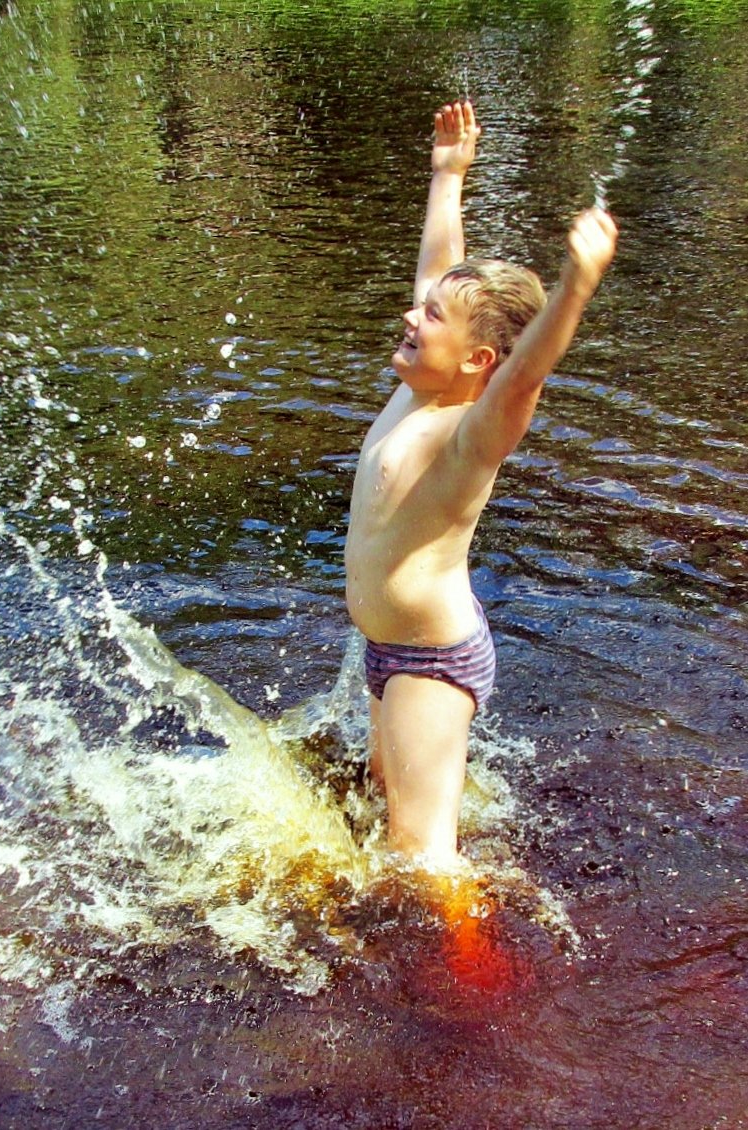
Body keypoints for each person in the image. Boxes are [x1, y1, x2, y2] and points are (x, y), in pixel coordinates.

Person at [344, 99, 618, 868]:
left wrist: (575, 287)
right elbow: (438, 265)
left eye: (428, 317)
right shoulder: (417, 392)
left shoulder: (466, 437)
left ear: (475, 362)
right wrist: (447, 175)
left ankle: (479, 977)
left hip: (429, 660)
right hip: (388, 649)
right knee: (377, 795)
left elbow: (525, 373)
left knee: (421, 854)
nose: (410, 312)